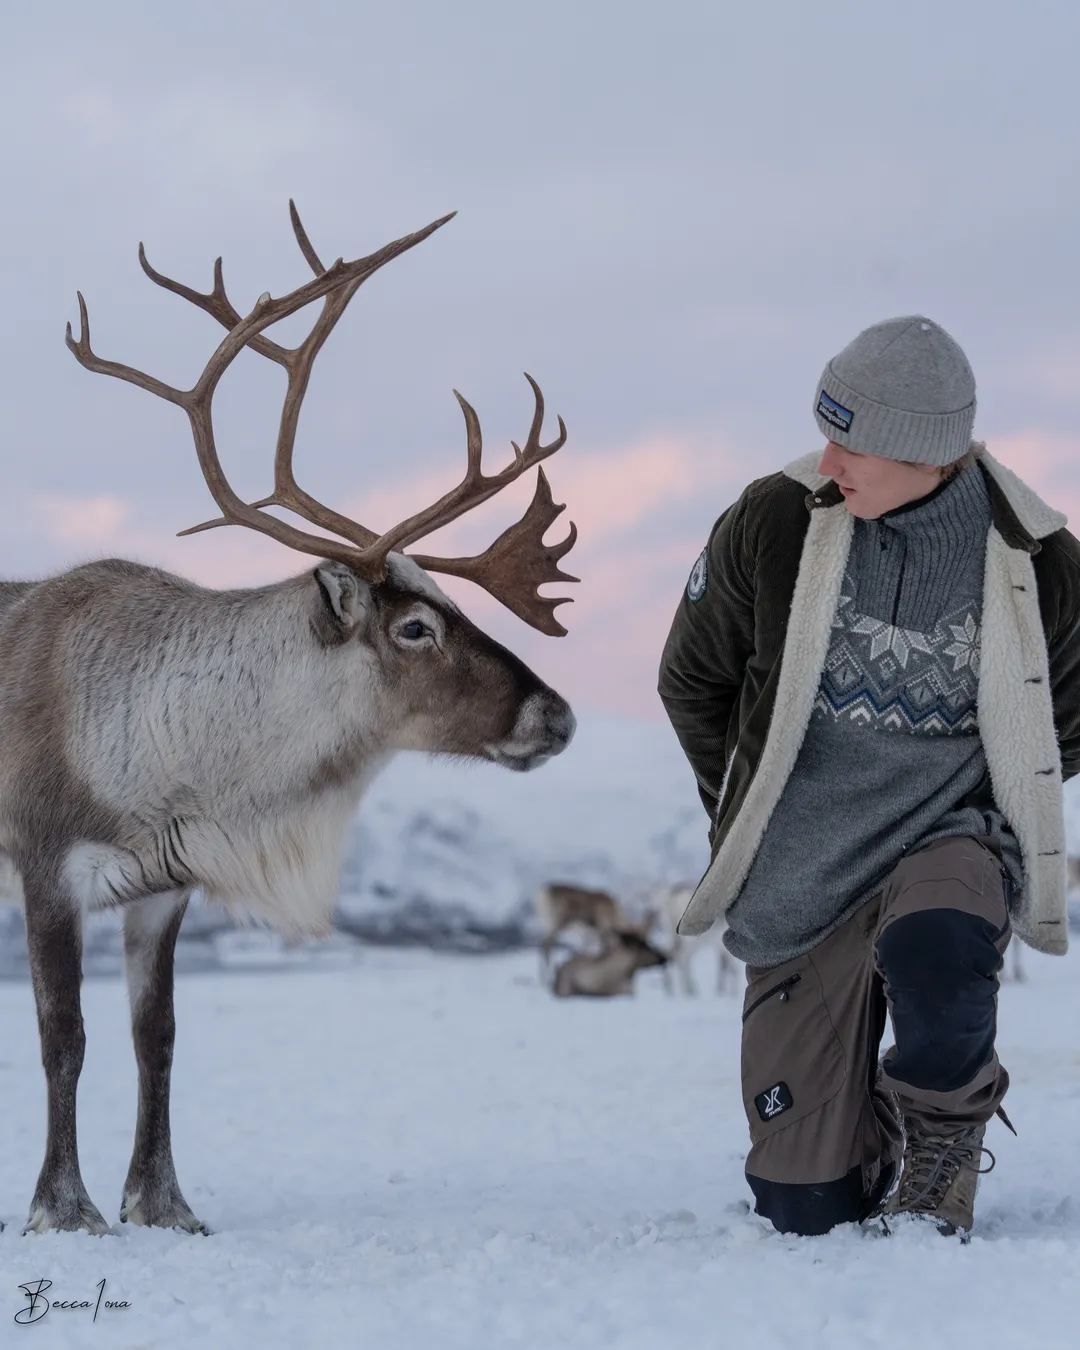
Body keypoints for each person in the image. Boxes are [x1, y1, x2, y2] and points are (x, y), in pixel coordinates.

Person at [658, 316, 1080, 1239]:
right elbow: (691, 679)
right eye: (828, 429)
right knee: (805, 1207)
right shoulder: (772, 517)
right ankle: (864, 1129)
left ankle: (943, 1142)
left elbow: (1071, 720)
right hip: (798, 878)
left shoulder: (1037, 559)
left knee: (940, 933)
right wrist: (744, 815)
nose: (831, 457)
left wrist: (982, 804)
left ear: (930, 456)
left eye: (857, 442)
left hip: (945, 842)